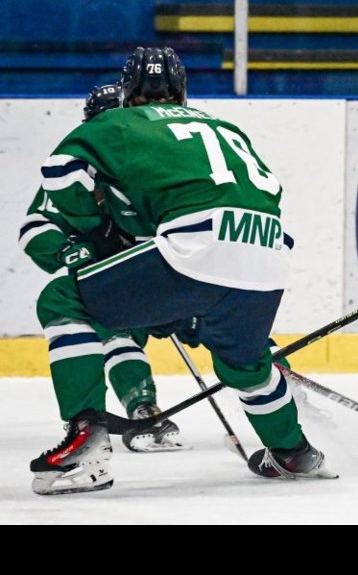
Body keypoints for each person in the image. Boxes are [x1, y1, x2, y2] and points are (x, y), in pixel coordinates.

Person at [29, 47, 335, 495]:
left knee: (62, 299)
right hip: (267, 255)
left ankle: (87, 442)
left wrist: (95, 230)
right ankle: (294, 453)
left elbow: (59, 174)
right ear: (182, 90)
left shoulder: (116, 123)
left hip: (192, 252)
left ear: (128, 91)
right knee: (245, 364)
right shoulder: (224, 126)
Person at [20, 82, 185, 453]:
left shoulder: (153, 163)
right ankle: (141, 406)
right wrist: (69, 251)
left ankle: (265, 364)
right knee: (115, 328)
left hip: (163, 269)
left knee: (218, 313)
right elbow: (35, 227)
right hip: (109, 275)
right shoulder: (80, 166)